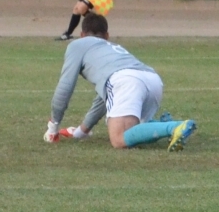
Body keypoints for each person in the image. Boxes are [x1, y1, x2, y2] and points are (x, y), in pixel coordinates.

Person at [44, 12, 197, 151]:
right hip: (153, 80)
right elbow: (106, 98)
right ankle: (163, 125)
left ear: (82, 35)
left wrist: (53, 127)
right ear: (107, 36)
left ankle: (174, 127)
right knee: (133, 134)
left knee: (118, 139)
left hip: (127, 82)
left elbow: (65, 87)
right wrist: (81, 132)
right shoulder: (113, 47)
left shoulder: (77, 45)